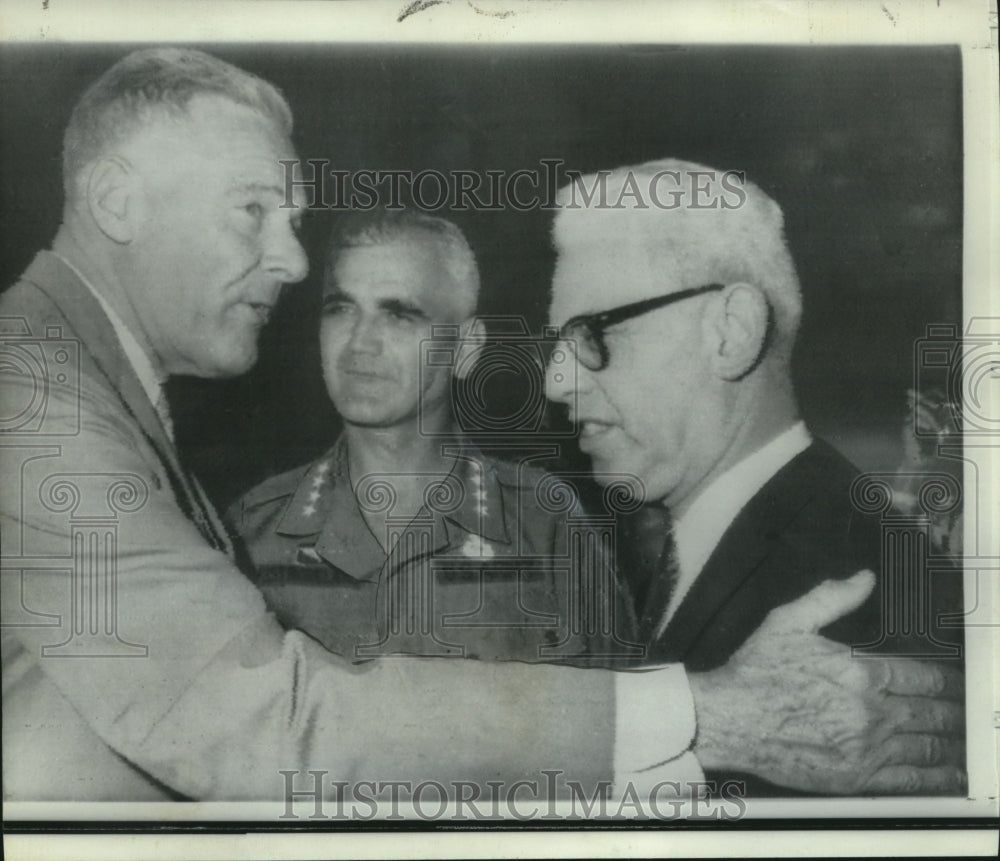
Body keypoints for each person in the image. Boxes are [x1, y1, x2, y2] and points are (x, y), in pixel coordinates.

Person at [0, 48, 964, 803]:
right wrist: (710, 713)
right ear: (115, 199)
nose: (290, 263)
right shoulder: (37, 397)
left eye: (594, 334)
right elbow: (267, 723)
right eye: (252, 211)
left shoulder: (558, 522)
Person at [543, 159, 966, 792]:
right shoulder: (675, 551)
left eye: (591, 333)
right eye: (555, 343)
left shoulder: (853, 589)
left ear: (731, 333)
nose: (555, 381)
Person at [228, 211, 637, 665]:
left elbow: (624, 718)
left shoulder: (544, 525)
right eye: (341, 309)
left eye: (399, 315)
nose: (360, 343)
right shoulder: (254, 531)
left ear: (465, 349)